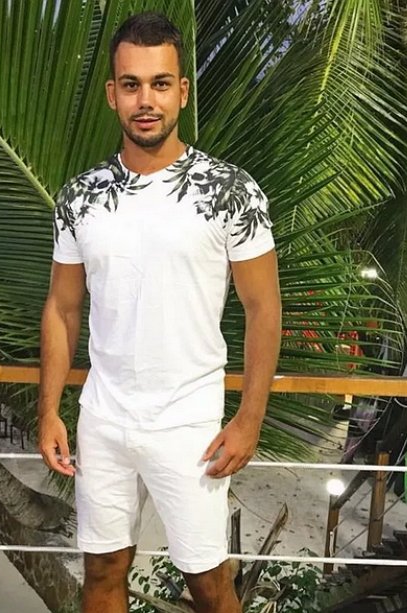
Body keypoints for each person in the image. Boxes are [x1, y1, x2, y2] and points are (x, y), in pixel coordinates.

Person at [38, 11, 281, 613]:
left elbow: (263, 308)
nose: (146, 100)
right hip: (103, 417)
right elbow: (62, 308)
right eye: (131, 84)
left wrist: (249, 420)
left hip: (190, 424)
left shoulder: (230, 191)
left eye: (160, 83)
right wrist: (48, 411)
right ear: (112, 94)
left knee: (209, 583)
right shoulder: (80, 198)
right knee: (101, 571)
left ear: (182, 92)